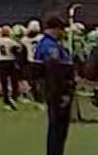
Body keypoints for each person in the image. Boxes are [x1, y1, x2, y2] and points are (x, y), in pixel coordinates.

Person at [35, 16, 76, 155]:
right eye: (61, 29)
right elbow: (55, 72)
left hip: (55, 89)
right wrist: (62, 92)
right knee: (58, 127)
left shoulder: (48, 43)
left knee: (58, 127)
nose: (63, 32)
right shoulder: (50, 46)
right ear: (56, 29)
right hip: (58, 90)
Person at [0, 26, 22, 110]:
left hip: (1, 61)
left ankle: (6, 99)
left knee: (4, 81)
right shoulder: (11, 41)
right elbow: (18, 49)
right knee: (14, 80)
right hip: (10, 60)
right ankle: (14, 96)